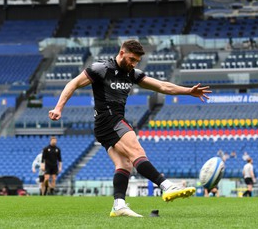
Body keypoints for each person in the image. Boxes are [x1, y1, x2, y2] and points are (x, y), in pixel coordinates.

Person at [48, 39, 211, 217]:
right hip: (108, 119)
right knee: (136, 150)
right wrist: (58, 107)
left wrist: (188, 91)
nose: (133, 64)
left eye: (136, 61)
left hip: (107, 125)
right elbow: (73, 84)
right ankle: (166, 185)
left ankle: (119, 204)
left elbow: (163, 86)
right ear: (122, 53)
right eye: (132, 59)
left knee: (124, 164)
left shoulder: (132, 73)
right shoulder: (101, 69)